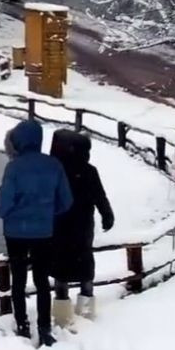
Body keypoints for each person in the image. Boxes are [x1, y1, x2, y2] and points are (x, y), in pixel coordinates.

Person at [0, 118, 73, 347]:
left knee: (18, 279)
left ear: (18, 141)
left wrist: (0, 205)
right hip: (43, 233)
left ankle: (22, 325)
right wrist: (46, 213)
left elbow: (4, 207)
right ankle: (45, 328)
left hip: (16, 234)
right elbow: (65, 201)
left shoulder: (14, 167)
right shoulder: (53, 165)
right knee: (41, 281)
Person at [49, 129, 114, 325]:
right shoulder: (88, 170)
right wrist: (107, 214)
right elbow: (100, 196)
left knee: (61, 271)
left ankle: (61, 316)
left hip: (59, 227)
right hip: (82, 227)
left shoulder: (53, 171)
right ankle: (86, 312)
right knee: (84, 267)